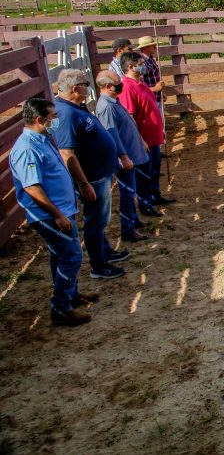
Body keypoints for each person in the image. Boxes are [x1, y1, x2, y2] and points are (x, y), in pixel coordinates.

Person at [9, 98, 98, 326]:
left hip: (63, 209)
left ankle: (70, 294)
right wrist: (57, 214)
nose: (56, 120)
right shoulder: (27, 148)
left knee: (60, 254)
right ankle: (61, 307)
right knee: (72, 255)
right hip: (50, 215)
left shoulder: (42, 139)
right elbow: (31, 187)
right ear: (40, 120)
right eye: (53, 117)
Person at [53, 69, 127, 279]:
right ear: (75, 89)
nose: (89, 87)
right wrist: (83, 184)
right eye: (86, 84)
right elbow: (67, 152)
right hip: (92, 177)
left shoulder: (75, 106)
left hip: (99, 173)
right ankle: (99, 265)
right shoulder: (65, 114)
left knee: (100, 219)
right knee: (96, 221)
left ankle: (105, 252)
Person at [94, 70, 151, 241]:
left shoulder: (114, 101)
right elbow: (112, 135)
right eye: (117, 81)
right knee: (127, 193)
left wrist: (140, 140)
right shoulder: (106, 107)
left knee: (131, 191)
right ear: (107, 86)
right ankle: (127, 229)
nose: (121, 84)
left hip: (130, 153)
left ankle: (133, 220)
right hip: (124, 157)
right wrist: (123, 156)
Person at [117, 52, 176, 210]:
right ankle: (145, 203)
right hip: (144, 139)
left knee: (154, 169)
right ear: (131, 67)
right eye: (140, 63)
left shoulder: (141, 83)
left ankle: (154, 195)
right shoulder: (127, 87)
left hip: (153, 136)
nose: (144, 66)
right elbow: (129, 117)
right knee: (144, 173)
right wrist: (140, 139)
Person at [134, 36, 165, 108]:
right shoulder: (141, 62)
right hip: (149, 99)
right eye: (153, 45)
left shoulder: (151, 59)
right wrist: (155, 89)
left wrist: (162, 93)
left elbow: (156, 77)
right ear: (146, 47)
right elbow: (139, 85)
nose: (155, 47)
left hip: (156, 97)